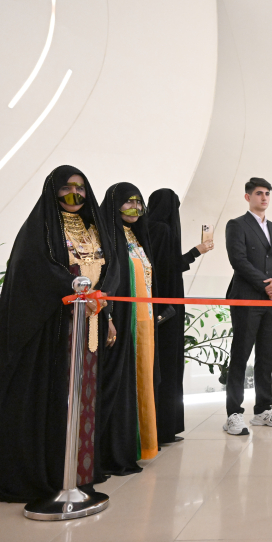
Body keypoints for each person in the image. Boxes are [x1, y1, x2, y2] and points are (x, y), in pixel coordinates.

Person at [0, 166, 117, 502]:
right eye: (67, 188)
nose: (75, 195)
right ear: (54, 190)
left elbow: (110, 270)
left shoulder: (92, 226)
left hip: (89, 325)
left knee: (85, 399)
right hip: (53, 330)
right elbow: (31, 268)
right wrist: (69, 285)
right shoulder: (41, 227)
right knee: (58, 397)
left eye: (81, 189)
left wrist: (104, 308)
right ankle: (53, 473)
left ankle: (79, 472)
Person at [223, 177, 272, 435]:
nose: (264, 198)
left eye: (267, 194)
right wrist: (266, 283)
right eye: (259, 193)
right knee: (241, 354)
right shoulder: (236, 225)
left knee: (265, 355)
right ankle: (233, 413)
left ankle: (264, 409)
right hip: (247, 297)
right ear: (248, 197)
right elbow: (238, 260)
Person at [98, 184, 157, 472]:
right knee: (119, 384)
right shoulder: (107, 235)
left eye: (138, 202)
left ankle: (139, 445)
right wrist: (108, 317)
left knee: (141, 381)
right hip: (121, 322)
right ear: (114, 205)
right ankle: (113, 451)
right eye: (128, 202)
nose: (135, 208)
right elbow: (104, 280)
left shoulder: (134, 235)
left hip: (143, 322)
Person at [147, 188, 213, 445]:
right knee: (168, 366)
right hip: (168, 309)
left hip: (160, 306)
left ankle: (162, 428)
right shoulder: (162, 230)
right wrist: (197, 250)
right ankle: (164, 427)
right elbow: (170, 266)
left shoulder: (150, 228)